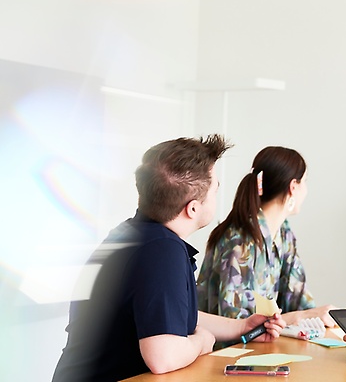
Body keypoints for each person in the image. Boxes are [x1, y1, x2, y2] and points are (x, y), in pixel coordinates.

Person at [52, 135, 284, 382]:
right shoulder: (162, 251)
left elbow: (169, 316)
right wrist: (203, 341)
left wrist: (241, 328)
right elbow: (163, 357)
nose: (217, 194)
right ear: (192, 208)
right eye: (215, 189)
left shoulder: (135, 235)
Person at [197, 146, 335, 327]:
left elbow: (298, 298)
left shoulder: (284, 234)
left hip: (261, 348)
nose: (306, 190)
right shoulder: (239, 241)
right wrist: (299, 317)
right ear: (293, 187)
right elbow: (236, 323)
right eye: (305, 181)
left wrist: (319, 317)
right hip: (223, 351)